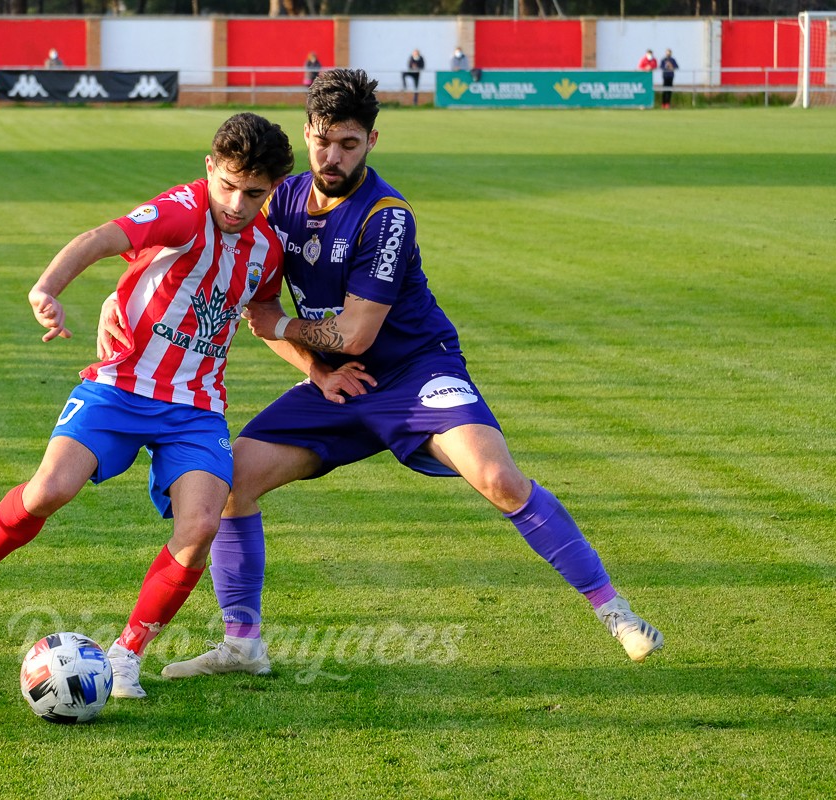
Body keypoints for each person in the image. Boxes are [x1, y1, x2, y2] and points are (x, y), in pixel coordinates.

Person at [101, 69, 664, 681]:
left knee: (497, 477)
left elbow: (353, 334)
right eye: (322, 141)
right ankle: (243, 644)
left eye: (349, 143)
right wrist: (124, 296)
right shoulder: (276, 199)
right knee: (231, 480)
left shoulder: (386, 216)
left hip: (415, 374)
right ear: (307, 134)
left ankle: (618, 615)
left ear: (373, 140)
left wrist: (296, 335)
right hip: (339, 385)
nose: (333, 156)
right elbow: (217, 263)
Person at [0, 113, 295, 701]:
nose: (235, 202)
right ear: (210, 168)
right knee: (49, 489)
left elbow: (264, 315)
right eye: (227, 184)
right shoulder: (182, 209)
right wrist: (46, 289)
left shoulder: (267, 249)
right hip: (121, 385)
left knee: (201, 525)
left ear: (272, 189)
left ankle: (127, 655)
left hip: (195, 405)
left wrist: (319, 369)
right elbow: (101, 240)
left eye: (253, 193)